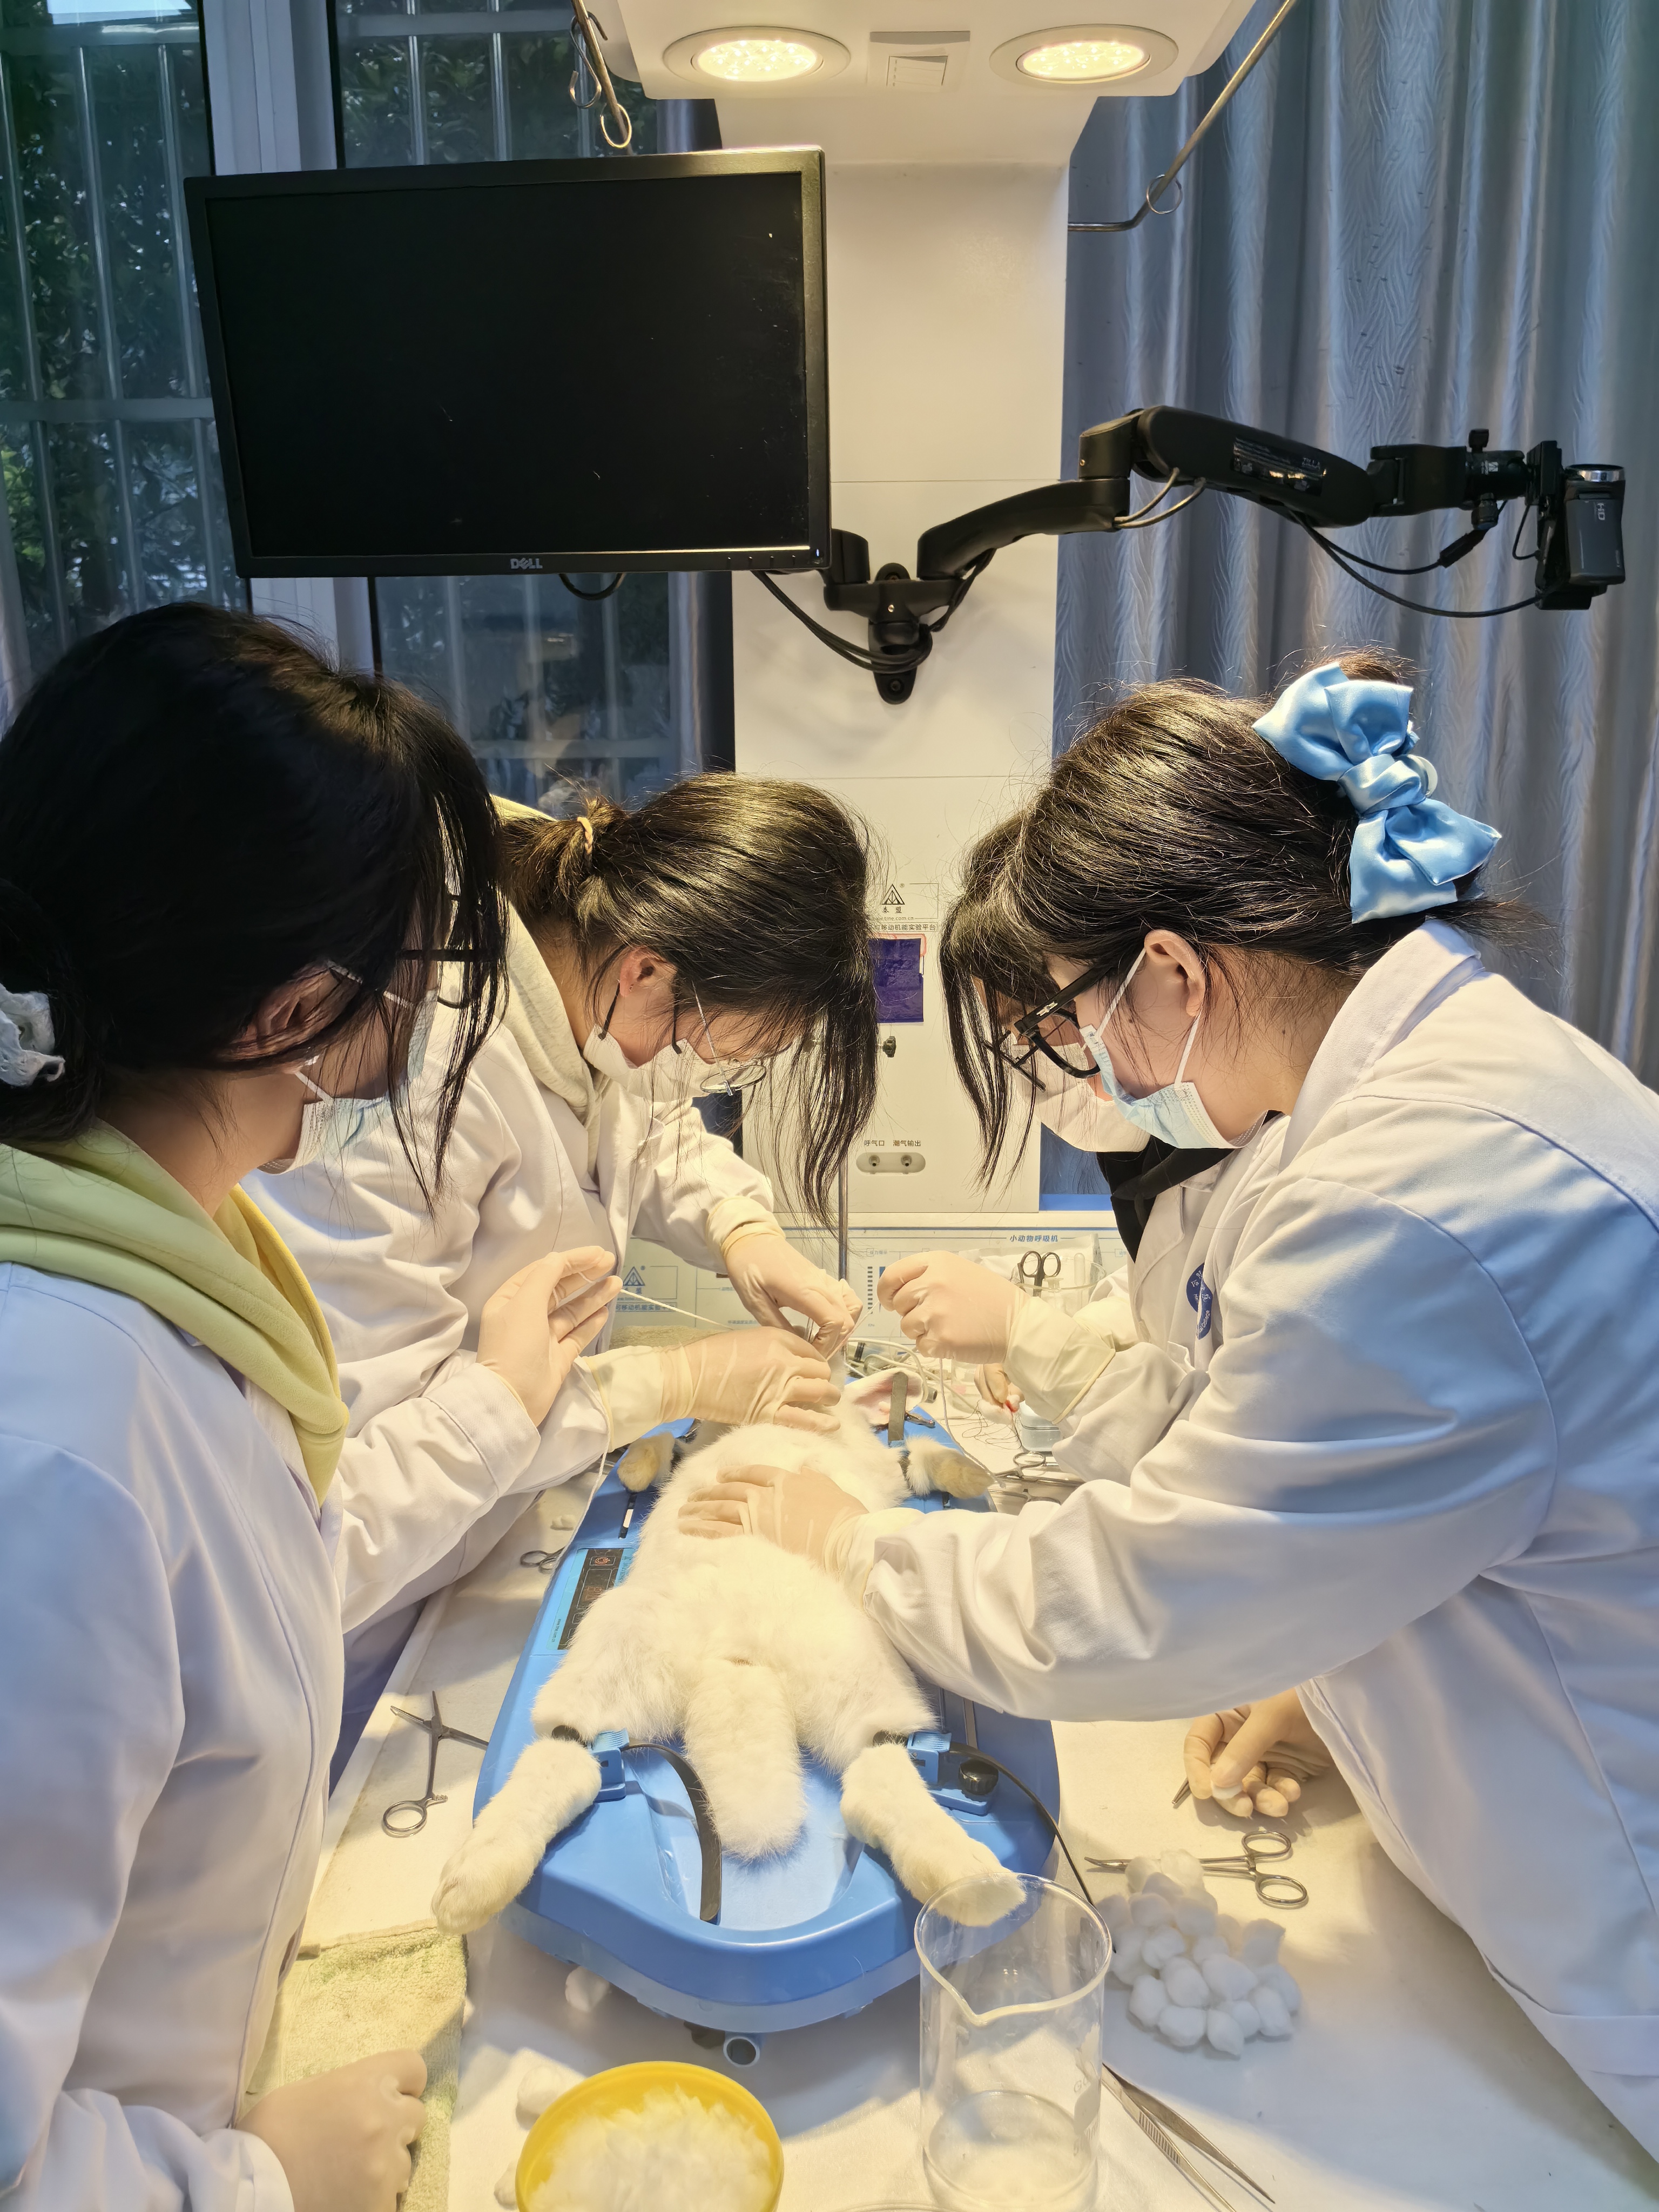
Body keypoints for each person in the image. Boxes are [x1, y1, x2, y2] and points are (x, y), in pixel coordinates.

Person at [683, 655, 1659, 2153]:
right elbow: (1376, 1487)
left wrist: (851, 1545)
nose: (1089, 1068)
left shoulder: (1417, 1194)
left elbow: (1144, 1600)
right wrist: (1346, 1687)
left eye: (1078, 1020)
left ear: (1173, 973)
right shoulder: (1424, 1095)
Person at [0, 605, 612, 2211]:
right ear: (289, 1011)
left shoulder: (177, 1276)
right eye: (410, 976)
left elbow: (259, 1601)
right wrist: (255, 2178)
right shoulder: (60, 1437)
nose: (419, 1031)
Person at [251, 777, 874, 1756]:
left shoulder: (593, 990)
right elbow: (368, 1471)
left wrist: (742, 1228)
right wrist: (673, 1381)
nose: (706, 1077)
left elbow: (646, 1124)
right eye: (722, 1051)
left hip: (487, 1539)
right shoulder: (415, 1071)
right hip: (368, 1611)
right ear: (647, 972)